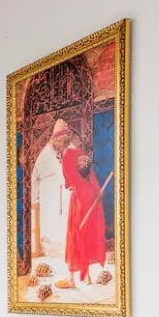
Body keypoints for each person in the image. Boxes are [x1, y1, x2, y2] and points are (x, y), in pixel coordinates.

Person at [57, 142, 107, 287]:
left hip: (78, 211)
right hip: (87, 208)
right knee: (85, 240)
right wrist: (98, 193)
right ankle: (87, 277)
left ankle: (72, 279)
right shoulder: (92, 186)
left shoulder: (77, 185)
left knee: (74, 241)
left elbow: (68, 182)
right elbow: (95, 191)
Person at [30, 119, 72, 258]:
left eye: (64, 145)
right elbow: (34, 179)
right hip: (48, 200)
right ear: (55, 139)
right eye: (60, 145)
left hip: (67, 198)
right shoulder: (44, 155)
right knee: (50, 230)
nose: (61, 149)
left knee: (66, 226)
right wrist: (35, 200)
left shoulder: (70, 149)